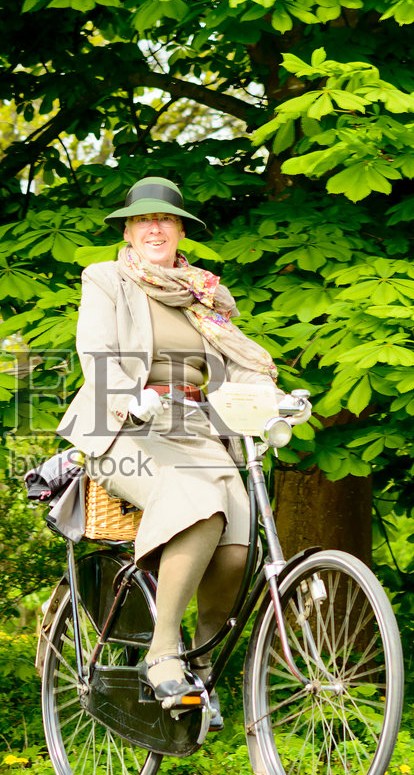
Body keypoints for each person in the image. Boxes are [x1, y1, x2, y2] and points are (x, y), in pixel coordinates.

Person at [58, 177, 283, 729]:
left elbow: (229, 371)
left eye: (164, 220)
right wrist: (128, 396)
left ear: (182, 230)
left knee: (238, 544)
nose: (153, 228)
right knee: (198, 501)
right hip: (123, 428)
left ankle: (199, 667)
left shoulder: (204, 293)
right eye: (141, 221)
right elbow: (97, 350)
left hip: (199, 430)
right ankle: (163, 654)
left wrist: (271, 403)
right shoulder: (106, 279)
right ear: (129, 231)